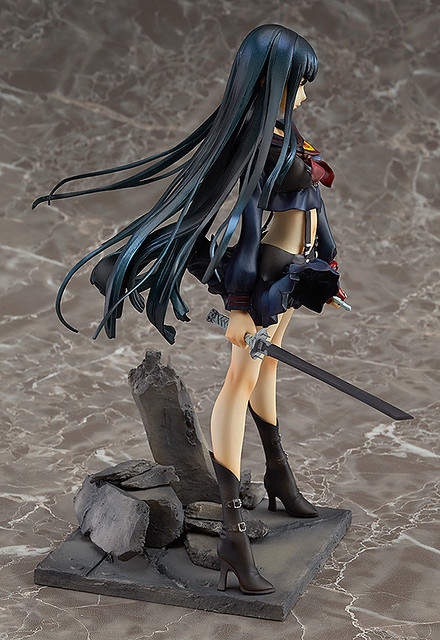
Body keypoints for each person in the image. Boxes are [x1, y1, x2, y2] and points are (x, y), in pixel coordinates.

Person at [33, 24, 345, 595]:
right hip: (264, 276)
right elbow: (246, 224)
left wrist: (327, 256)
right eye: (297, 82)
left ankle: (278, 475)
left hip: (296, 271)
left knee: (267, 374)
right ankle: (232, 534)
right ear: (272, 80)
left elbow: (312, 204)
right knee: (239, 384)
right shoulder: (258, 141)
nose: (303, 93)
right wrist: (240, 304)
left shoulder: (286, 131)